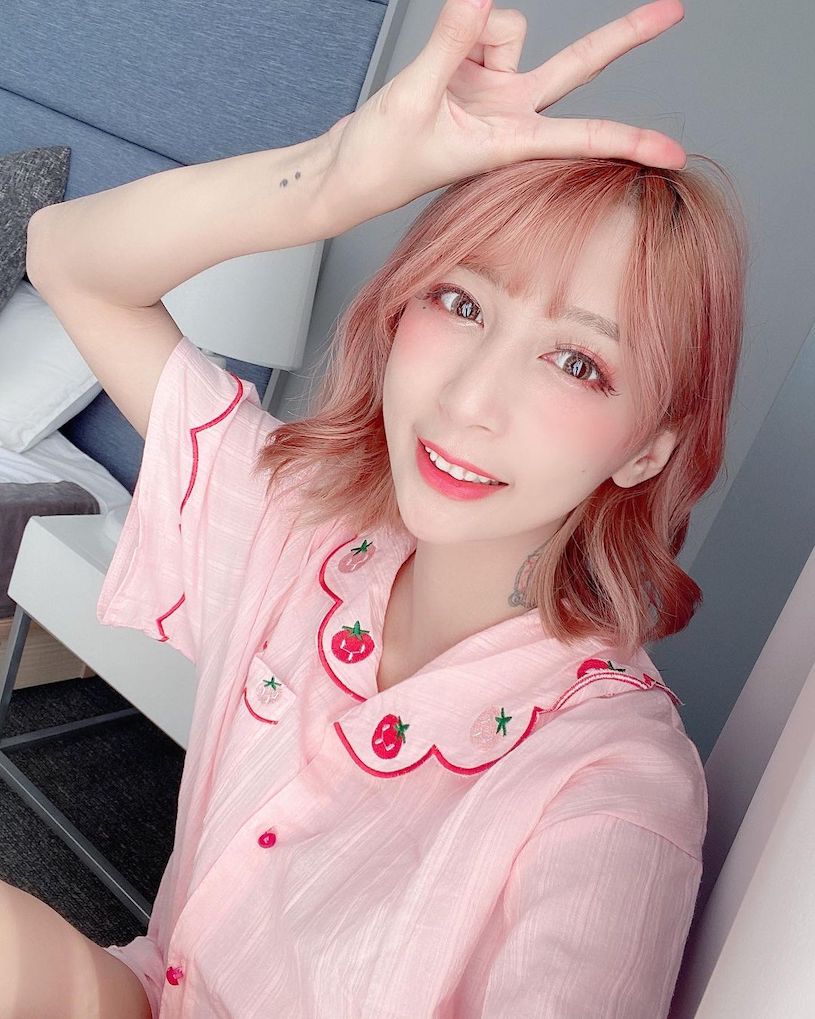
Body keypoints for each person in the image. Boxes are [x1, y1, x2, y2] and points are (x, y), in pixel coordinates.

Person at [8, 0, 748, 1015]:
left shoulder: (607, 790)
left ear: (648, 448)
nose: (469, 400)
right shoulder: (300, 527)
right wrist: (330, 177)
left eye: (576, 362)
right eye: (461, 302)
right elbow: (63, 257)